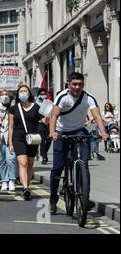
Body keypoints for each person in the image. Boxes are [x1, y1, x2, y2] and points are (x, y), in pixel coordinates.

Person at [49, 72, 109, 214]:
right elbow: (54, 115)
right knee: (57, 168)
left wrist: (103, 132)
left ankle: (85, 198)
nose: (77, 87)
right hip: (61, 131)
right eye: (74, 84)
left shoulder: (88, 98)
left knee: (84, 164)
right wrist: (53, 132)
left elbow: (97, 116)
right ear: (68, 84)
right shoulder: (62, 97)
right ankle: (53, 197)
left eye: (80, 84)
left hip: (79, 130)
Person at [8, 84, 48, 200]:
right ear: (18, 94)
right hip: (18, 138)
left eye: (25, 91)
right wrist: (10, 143)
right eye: (21, 91)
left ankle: (27, 185)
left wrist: (49, 111)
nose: (23, 93)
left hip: (32, 139)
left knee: (30, 164)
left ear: (29, 93)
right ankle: (25, 188)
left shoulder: (36, 107)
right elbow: (11, 126)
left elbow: (45, 121)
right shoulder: (14, 108)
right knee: (23, 163)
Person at [0, 90, 17, 191]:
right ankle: (4, 180)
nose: (4, 96)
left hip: (10, 137)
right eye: (2, 95)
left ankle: (12, 180)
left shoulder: (13, 108)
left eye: (6, 95)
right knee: (2, 160)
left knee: (11, 159)